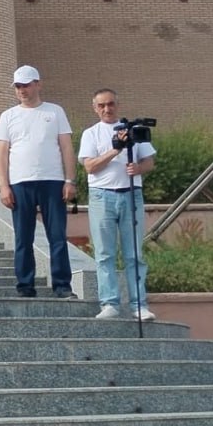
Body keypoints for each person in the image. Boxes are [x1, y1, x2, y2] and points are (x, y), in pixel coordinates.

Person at [0, 64, 77, 299]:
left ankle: (62, 285)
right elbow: (2, 153)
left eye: (26, 85)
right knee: (23, 237)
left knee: (57, 236)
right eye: (18, 86)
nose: (22, 90)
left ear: (38, 84)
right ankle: (25, 285)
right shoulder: (8, 116)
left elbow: (66, 147)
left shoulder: (55, 111)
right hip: (20, 182)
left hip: (52, 180)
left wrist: (70, 180)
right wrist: (4, 186)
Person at [78, 88, 157, 321]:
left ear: (117, 105)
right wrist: (116, 150)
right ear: (95, 108)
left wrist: (138, 168)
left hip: (131, 194)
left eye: (110, 104)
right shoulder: (91, 134)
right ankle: (109, 303)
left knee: (134, 253)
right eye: (101, 105)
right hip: (102, 195)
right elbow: (90, 166)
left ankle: (139, 304)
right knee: (104, 253)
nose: (107, 109)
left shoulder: (132, 130)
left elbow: (149, 162)